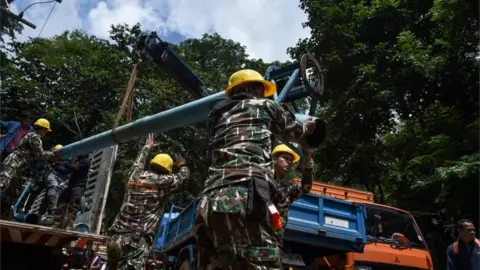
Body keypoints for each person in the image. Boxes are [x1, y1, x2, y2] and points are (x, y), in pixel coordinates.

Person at [194, 69, 323, 270]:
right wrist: (308, 127)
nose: (262, 94)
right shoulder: (266, 106)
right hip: (243, 195)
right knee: (264, 263)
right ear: (253, 88)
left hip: (208, 200)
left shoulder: (216, 117)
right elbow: (297, 132)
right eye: (261, 89)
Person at [106, 134, 190, 270]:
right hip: (134, 244)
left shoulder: (135, 175)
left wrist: (147, 147)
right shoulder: (163, 182)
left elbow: (138, 163)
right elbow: (184, 179)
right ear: (167, 172)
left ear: (151, 164)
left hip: (114, 240)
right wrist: (182, 164)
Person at [0, 118, 55, 218]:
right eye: (46, 131)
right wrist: (52, 155)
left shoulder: (34, 136)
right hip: (14, 162)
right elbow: (39, 154)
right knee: (3, 184)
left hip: (21, 167)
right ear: (42, 129)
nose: (46, 133)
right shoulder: (33, 136)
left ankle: (3, 214)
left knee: (13, 193)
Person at [271, 144, 313, 247]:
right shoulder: (262, 181)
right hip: (256, 235)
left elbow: (305, 187)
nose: (289, 162)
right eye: (285, 158)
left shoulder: (288, 187)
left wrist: (308, 168)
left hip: (275, 239)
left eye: (291, 160)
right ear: (275, 159)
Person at [53, 151, 92, 230]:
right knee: (61, 202)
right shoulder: (76, 160)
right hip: (71, 185)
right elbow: (65, 171)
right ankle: (57, 224)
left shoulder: (86, 161)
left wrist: (63, 161)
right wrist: (55, 165)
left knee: (73, 205)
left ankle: (69, 226)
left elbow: (74, 168)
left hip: (79, 186)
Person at [40, 144, 76, 225]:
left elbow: (74, 170)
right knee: (54, 187)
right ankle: (51, 211)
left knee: (69, 194)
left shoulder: (69, 160)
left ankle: (63, 217)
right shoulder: (51, 157)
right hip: (52, 174)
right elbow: (42, 155)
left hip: (64, 179)